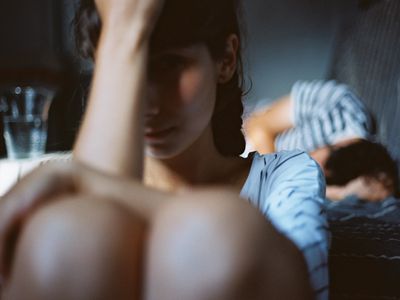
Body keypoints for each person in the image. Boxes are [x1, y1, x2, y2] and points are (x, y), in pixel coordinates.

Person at [0, 1, 329, 299]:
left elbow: (304, 282)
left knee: (220, 231)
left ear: (225, 60)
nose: (149, 105)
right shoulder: (72, 185)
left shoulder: (283, 174)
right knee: (66, 233)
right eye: (127, 69)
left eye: (170, 64)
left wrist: (79, 177)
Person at [244, 80, 399, 202]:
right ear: (340, 144)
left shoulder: (335, 181)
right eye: (320, 164)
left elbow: (382, 190)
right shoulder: (340, 104)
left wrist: (341, 194)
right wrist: (273, 180)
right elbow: (259, 125)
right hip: (240, 136)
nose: (310, 166)